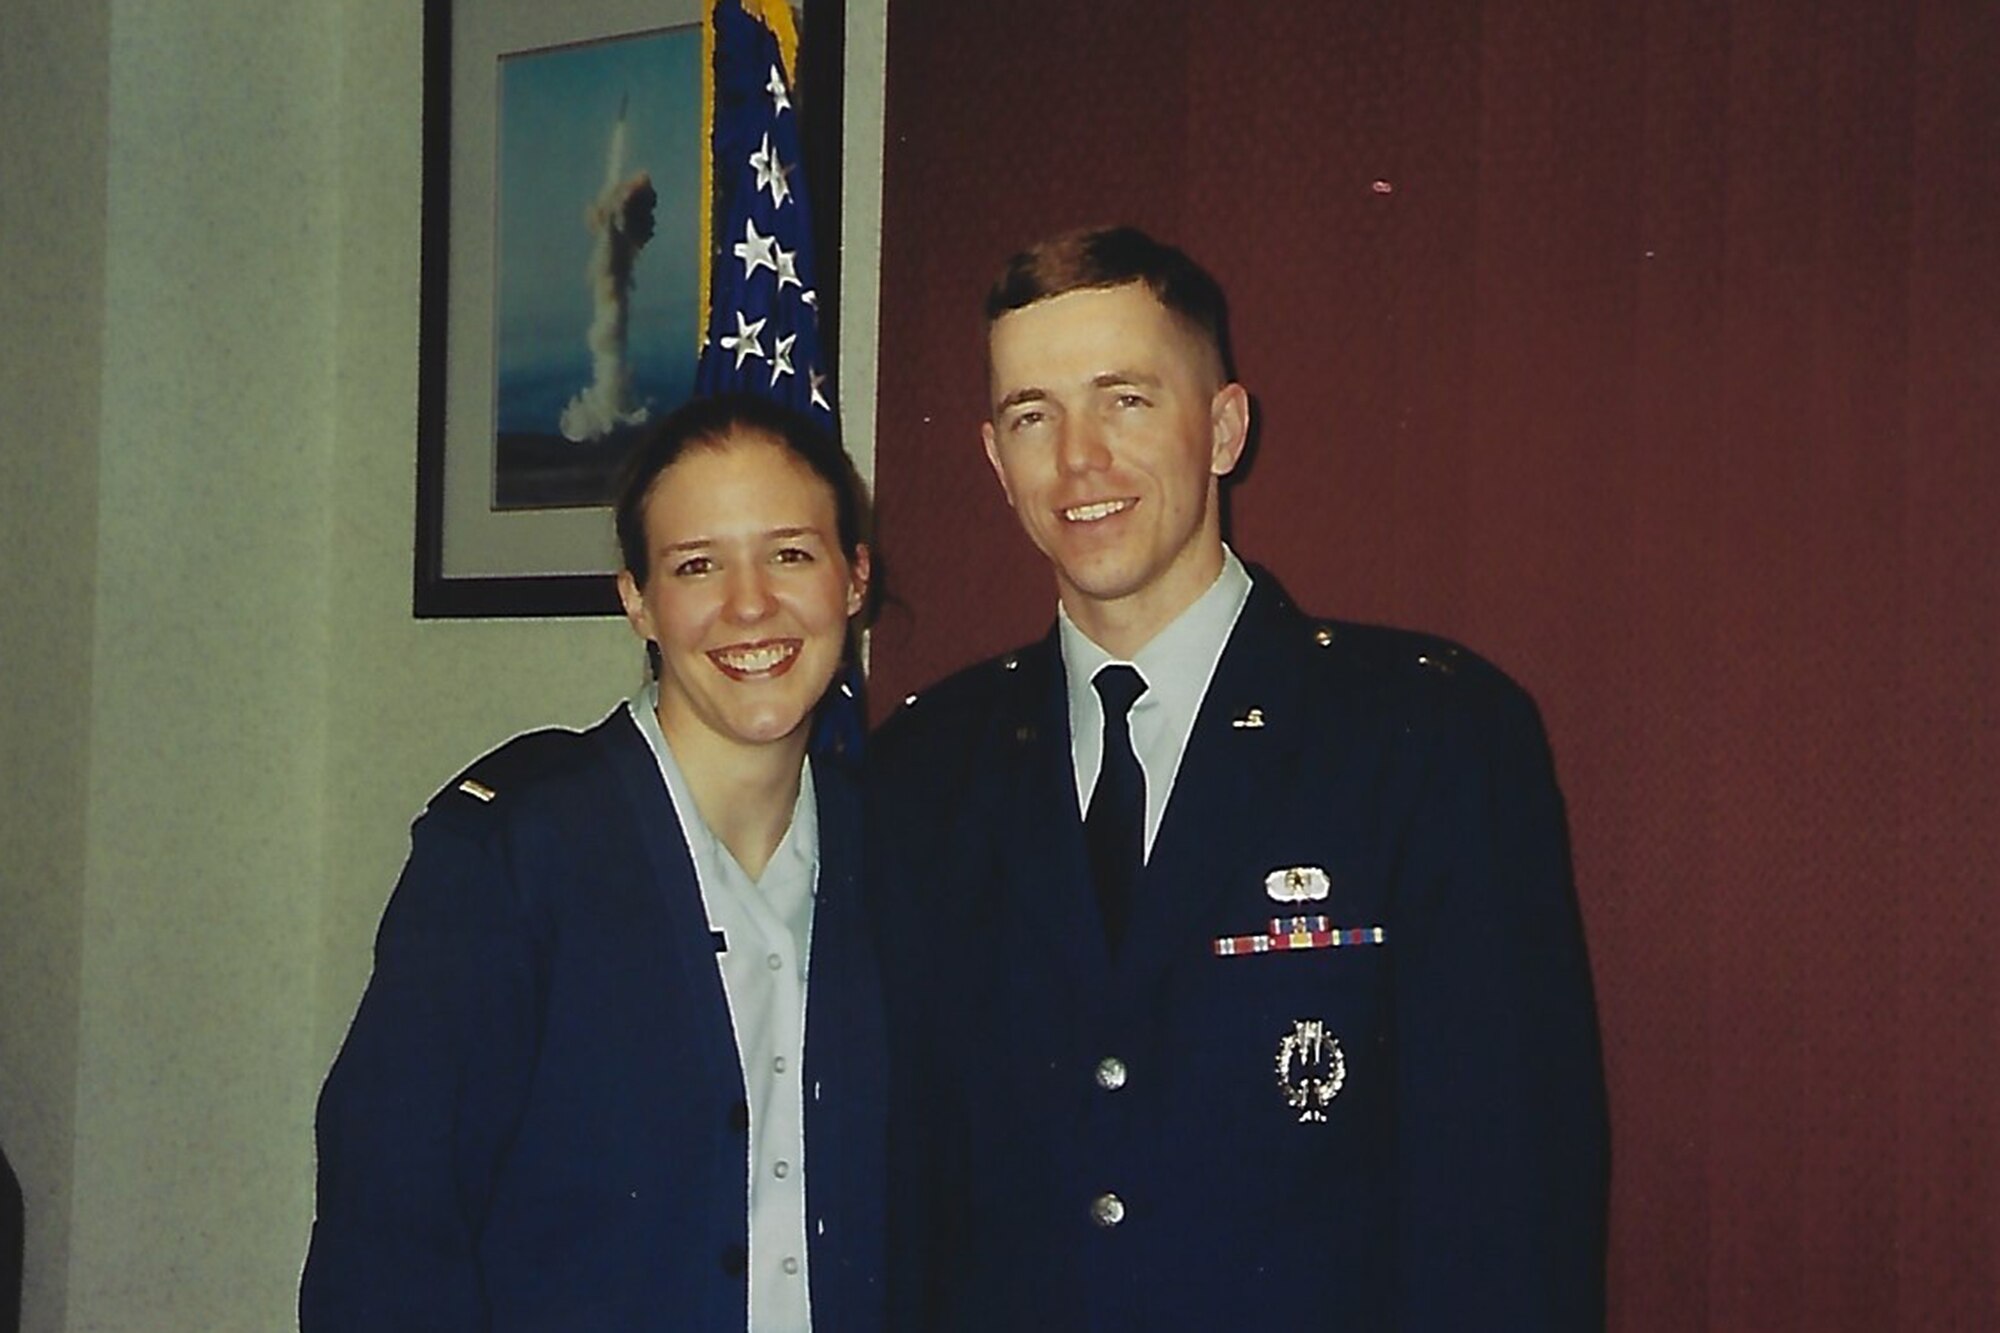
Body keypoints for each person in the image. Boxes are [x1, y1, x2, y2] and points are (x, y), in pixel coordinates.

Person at [869, 227, 1607, 1331]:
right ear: (992, 458)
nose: (1077, 459)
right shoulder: (925, 768)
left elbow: (1509, 1197)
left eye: (1123, 399)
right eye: (1033, 415)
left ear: (1221, 427)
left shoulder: (1424, 737)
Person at [302, 393, 883, 1332]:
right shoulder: (510, 854)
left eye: (790, 553)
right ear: (639, 602)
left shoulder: (900, 853)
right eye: (698, 564)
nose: (750, 603)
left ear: (854, 578)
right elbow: (387, 1239)